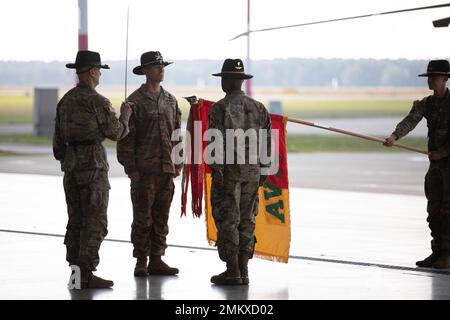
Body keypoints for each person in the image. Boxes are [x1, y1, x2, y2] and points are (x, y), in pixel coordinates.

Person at [53, 50, 132, 288]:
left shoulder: (65, 101)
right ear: (91, 72)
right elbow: (116, 133)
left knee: (75, 220)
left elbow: (57, 144)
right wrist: (126, 116)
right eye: (98, 71)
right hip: (93, 169)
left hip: (71, 168)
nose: (99, 76)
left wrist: (69, 160)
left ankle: (75, 273)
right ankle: (86, 273)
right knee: (95, 221)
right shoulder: (98, 102)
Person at [117, 51, 182, 277]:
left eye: (162, 65)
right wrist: (131, 168)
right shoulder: (134, 102)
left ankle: (157, 259)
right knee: (142, 217)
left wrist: (178, 163)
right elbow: (125, 138)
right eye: (156, 66)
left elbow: (176, 134)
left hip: (166, 169)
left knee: (161, 216)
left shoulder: (171, 100)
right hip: (143, 171)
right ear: (145, 71)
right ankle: (141, 261)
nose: (161, 69)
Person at [208, 58, 272, 285]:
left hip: (229, 175)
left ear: (225, 81)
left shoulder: (219, 108)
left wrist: (217, 173)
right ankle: (244, 270)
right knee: (247, 220)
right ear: (241, 81)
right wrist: (261, 174)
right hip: (253, 174)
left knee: (228, 220)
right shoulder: (259, 108)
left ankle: (232, 270)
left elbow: (214, 147)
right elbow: (267, 145)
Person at [384, 59, 450, 269]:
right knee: (433, 210)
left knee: (448, 212)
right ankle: (437, 251)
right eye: (428, 77)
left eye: (435, 77)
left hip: (448, 163)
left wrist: (443, 152)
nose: (430, 80)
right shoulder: (427, 104)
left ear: (446, 79)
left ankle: (447, 255)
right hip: (435, 166)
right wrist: (394, 136)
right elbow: (411, 120)